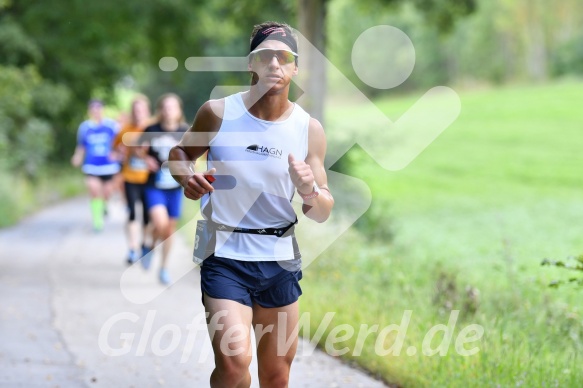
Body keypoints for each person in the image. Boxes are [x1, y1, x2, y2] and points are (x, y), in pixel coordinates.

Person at [169, 21, 334, 387]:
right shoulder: (217, 113)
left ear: (294, 67)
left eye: (284, 57)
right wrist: (186, 176)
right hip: (224, 253)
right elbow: (180, 152)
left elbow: (322, 210)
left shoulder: (309, 129)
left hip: (278, 258)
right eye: (265, 55)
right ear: (251, 64)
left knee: (276, 376)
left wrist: (309, 190)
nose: (274, 64)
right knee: (234, 364)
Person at [140, 93, 189, 284]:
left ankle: (163, 268)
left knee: (169, 230)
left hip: (175, 187)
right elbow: (137, 150)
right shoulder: (151, 129)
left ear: (179, 111)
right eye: (165, 107)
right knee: (160, 224)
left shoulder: (185, 131)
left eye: (173, 107)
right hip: (154, 186)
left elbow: (194, 155)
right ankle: (150, 246)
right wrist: (146, 159)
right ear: (160, 110)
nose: (169, 110)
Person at [113, 94, 154, 264]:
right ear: (132, 112)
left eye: (141, 110)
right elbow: (115, 148)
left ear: (147, 111)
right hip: (130, 176)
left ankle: (144, 243)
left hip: (149, 178)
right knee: (131, 211)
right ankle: (132, 248)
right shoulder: (125, 129)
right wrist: (119, 154)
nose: (138, 113)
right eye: (135, 110)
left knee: (146, 215)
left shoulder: (153, 128)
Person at [71, 99, 121, 232]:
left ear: (102, 109)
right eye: (93, 108)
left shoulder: (111, 126)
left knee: (107, 192)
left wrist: (117, 153)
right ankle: (97, 221)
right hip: (91, 166)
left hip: (109, 166)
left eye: (98, 108)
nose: (96, 111)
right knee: (94, 190)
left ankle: (105, 204)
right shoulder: (85, 127)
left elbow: (120, 142)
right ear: (89, 111)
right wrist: (77, 157)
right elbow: (81, 146)